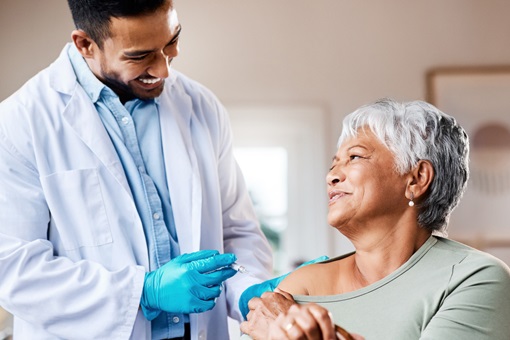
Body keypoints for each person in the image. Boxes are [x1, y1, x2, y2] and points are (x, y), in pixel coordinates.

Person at [0, 0, 276, 339]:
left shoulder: (201, 106)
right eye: (140, 55)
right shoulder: (19, 123)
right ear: (85, 44)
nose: (164, 70)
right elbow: (14, 270)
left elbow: (236, 231)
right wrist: (144, 293)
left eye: (172, 41)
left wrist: (252, 294)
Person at [241, 98, 510, 339]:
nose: (331, 176)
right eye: (333, 164)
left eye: (354, 157)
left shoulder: (474, 278)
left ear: (416, 179)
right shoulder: (301, 286)